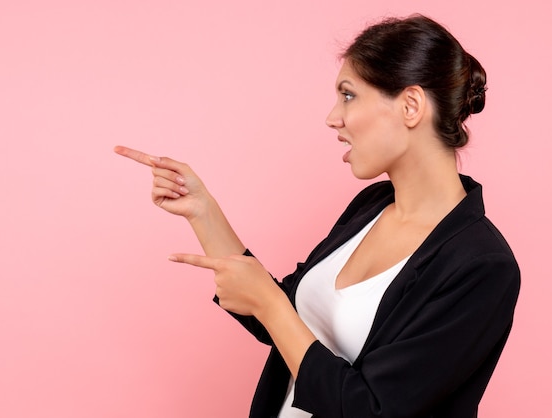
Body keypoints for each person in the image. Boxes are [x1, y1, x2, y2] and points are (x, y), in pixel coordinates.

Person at [115, 14, 520, 418]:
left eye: (349, 95)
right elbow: (280, 317)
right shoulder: (372, 205)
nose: (333, 118)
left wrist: (272, 305)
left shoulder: (483, 267)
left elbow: (371, 409)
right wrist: (201, 210)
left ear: (410, 106)